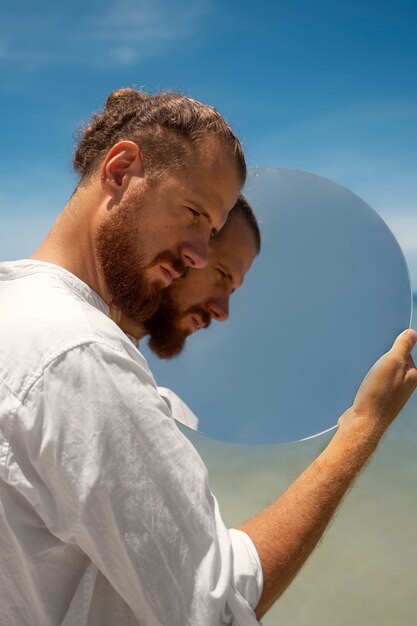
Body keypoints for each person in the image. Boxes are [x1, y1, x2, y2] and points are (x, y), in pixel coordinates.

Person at [0, 87, 416, 626]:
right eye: (193, 213)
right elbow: (215, 608)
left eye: (211, 231)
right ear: (121, 170)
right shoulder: (80, 354)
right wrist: (365, 425)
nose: (197, 253)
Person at [112, 193, 261, 430]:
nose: (222, 311)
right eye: (222, 275)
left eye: (232, 291)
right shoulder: (88, 351)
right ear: (189, 252)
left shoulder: (155, 400)